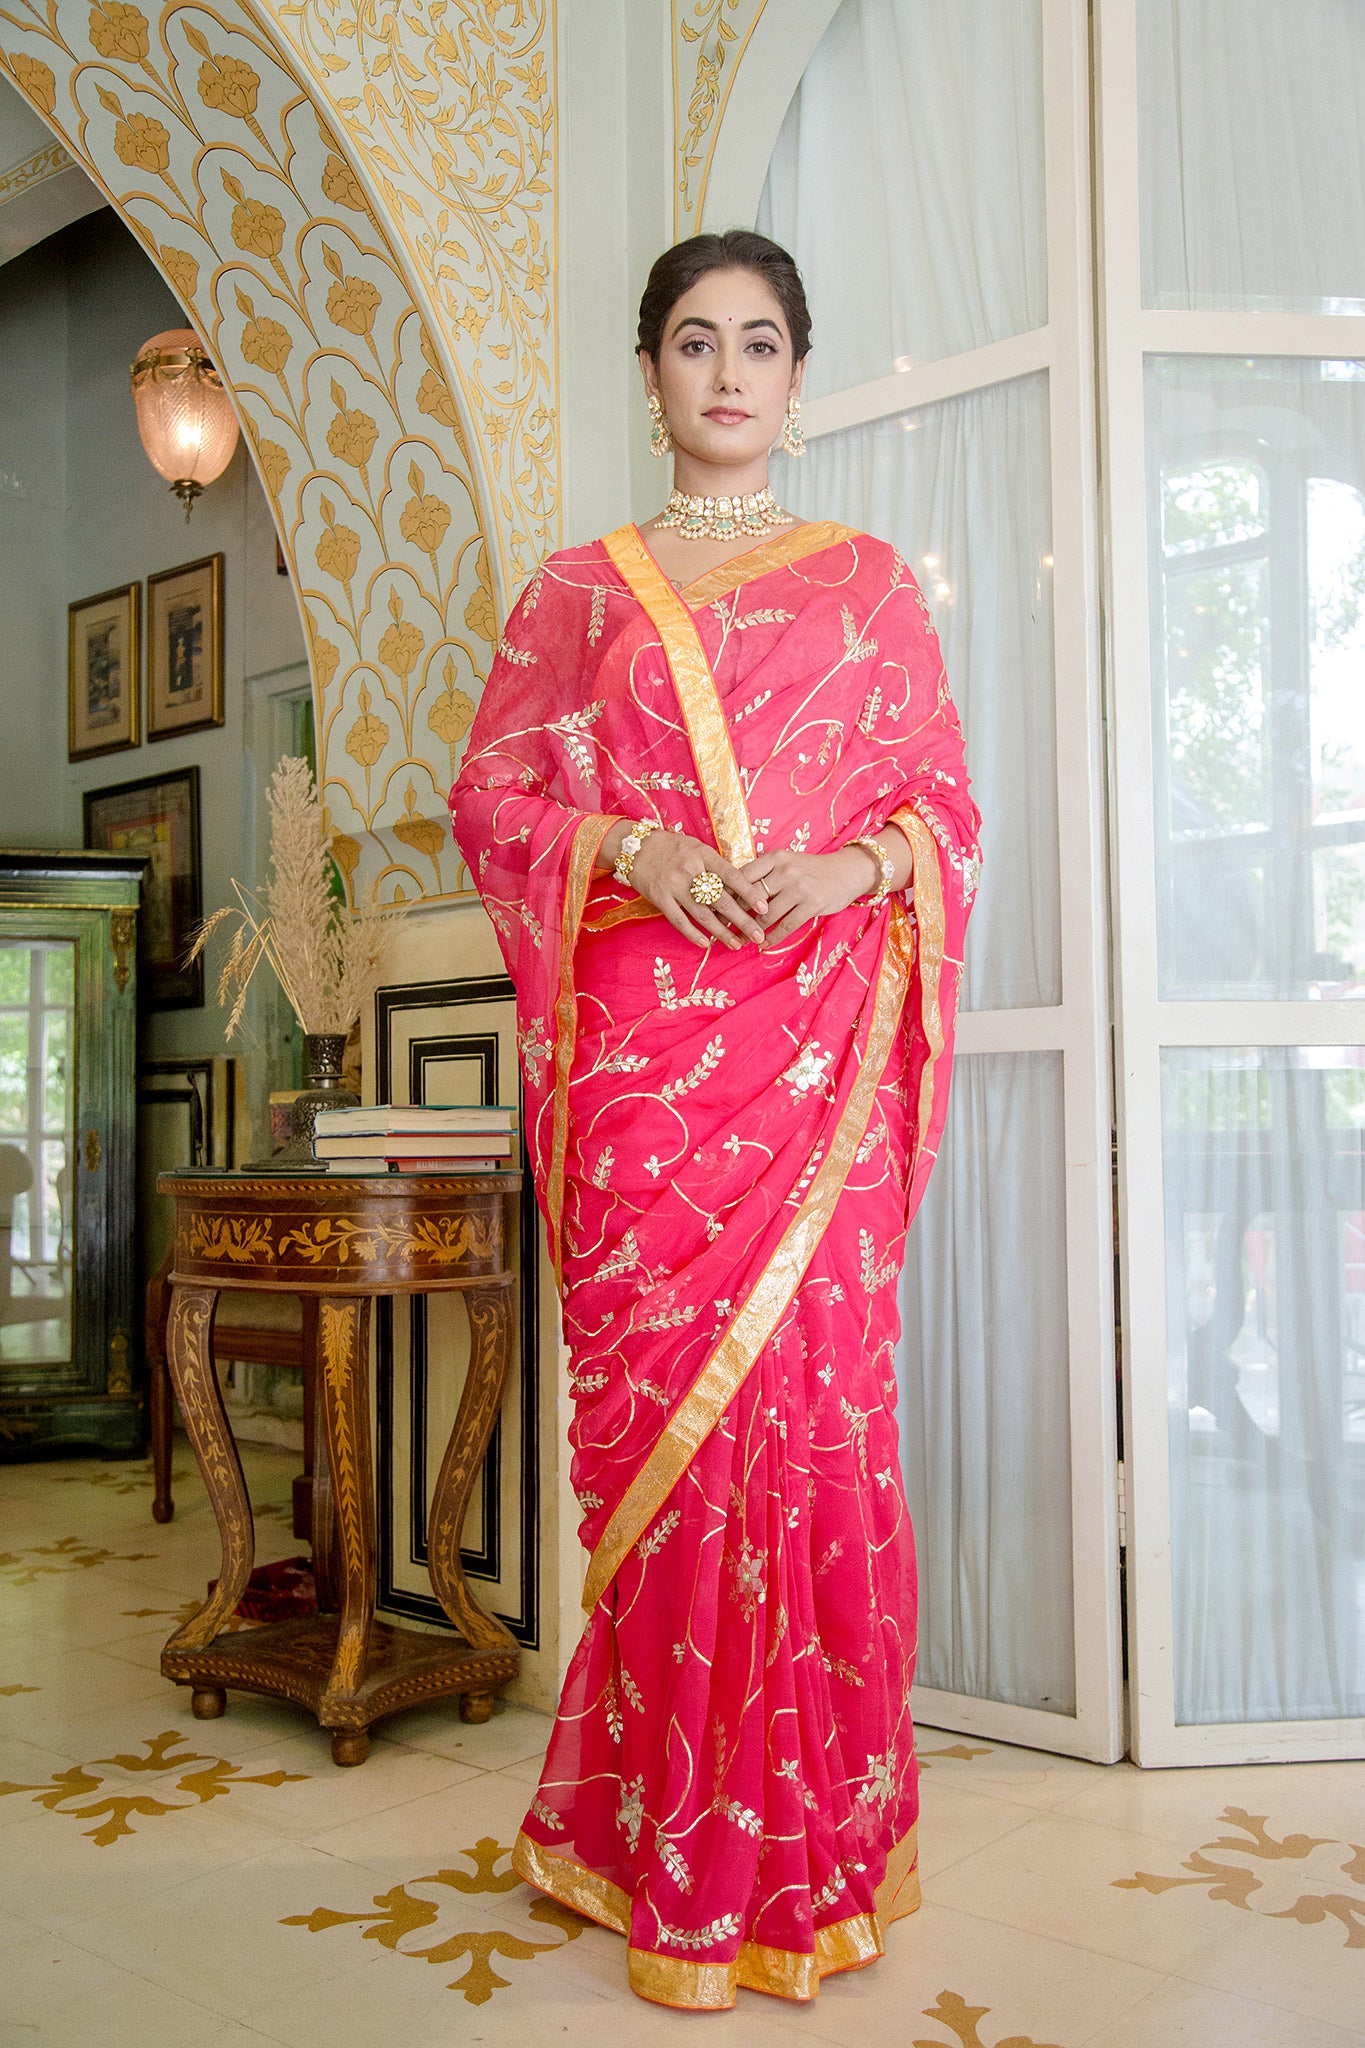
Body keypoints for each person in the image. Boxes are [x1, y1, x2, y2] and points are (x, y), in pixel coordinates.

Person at [448, 228, 980, 2012]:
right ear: (650, 370)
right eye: (695, 340)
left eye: (758, 342)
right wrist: (638, 850)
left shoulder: (868, 586)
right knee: (669, 1465)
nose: (727, 371)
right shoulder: (576, 594)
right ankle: (649, 1846)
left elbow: (940, 808)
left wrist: (845, 866)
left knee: (810, 1428)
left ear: (797, 374)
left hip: (816, 1061)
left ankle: (804, 1859)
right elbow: (491, 799)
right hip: (643, 1071)